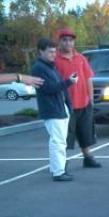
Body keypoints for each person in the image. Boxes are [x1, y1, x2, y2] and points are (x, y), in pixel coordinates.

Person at [31, 38, 77, 182]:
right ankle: (58, 171)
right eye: (50, 51)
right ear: (41, 51)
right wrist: (69, 81)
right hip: (52, 109)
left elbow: (57, 87)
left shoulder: (50, 67)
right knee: (58, 141)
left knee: (58, 141)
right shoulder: (39, 68)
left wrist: (68, 105)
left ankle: (57, 167)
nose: (53, 54)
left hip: (59, 108)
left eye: (54, 51)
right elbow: (49, 88)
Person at [54, 28, 101, 168]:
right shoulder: (55, 60)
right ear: (60, 42)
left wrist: (90, 99)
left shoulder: (81, 58)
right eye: (64, 40)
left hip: (84, 103)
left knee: (85, 132)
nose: (68, 43)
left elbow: (88, 79)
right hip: (65, 105)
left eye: (70, 40)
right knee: (64, 136)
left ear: (74, 42)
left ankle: (88, 158)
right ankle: (61, 162)